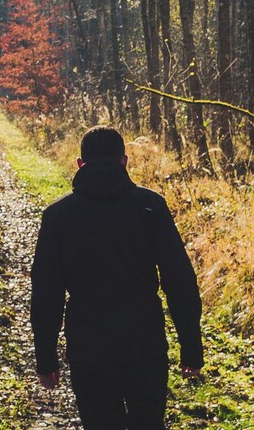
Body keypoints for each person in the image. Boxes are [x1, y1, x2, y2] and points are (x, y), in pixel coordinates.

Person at [30, 125, 205, 429]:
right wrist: (190, 347)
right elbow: (179, 281)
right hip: (145, 345)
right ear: (124, 161)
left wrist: (46, 358)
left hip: (89, 348)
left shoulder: (58, 215)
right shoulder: (150, 207)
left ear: (80, 164)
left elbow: (47, 292)